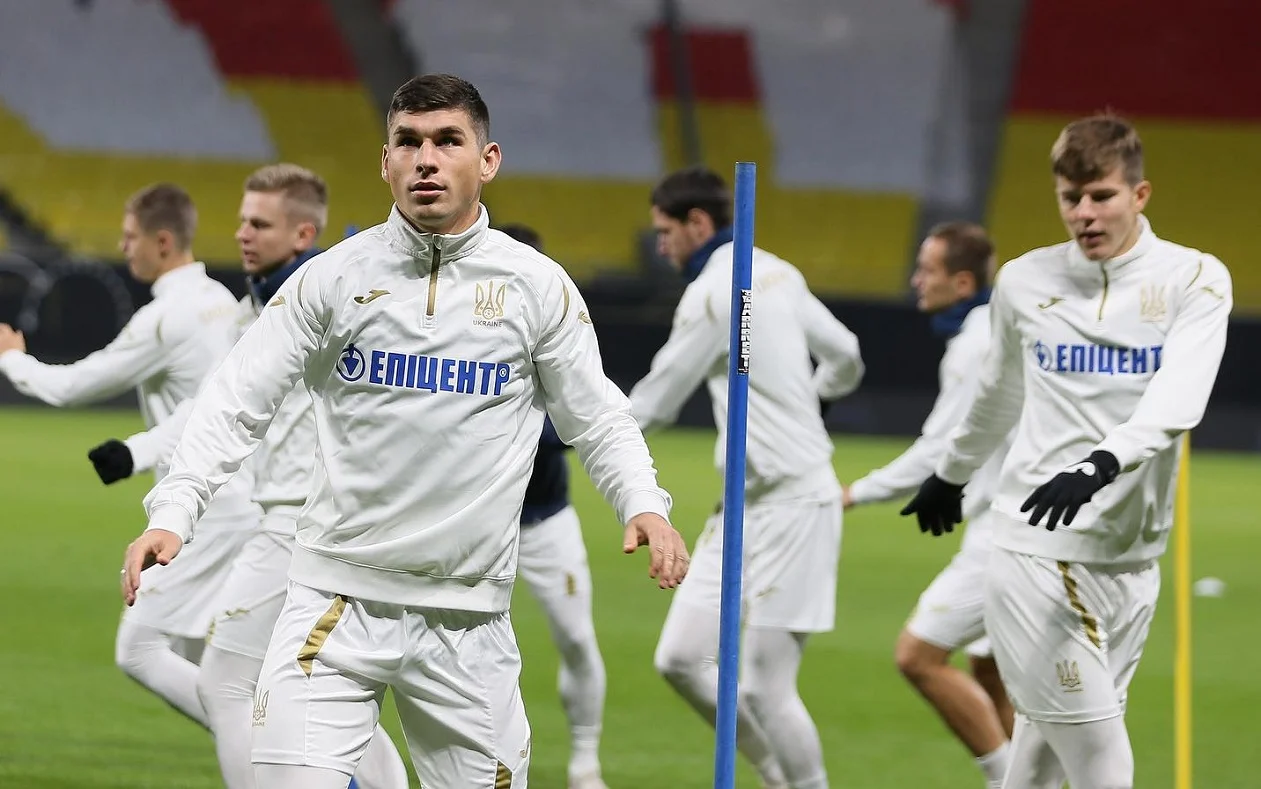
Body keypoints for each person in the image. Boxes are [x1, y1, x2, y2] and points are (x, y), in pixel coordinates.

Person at [121, 73, 689, 789]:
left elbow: (598, 416)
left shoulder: (537, 287)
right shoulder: (332, 280)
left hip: (469, 622)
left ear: (487, 159)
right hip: (332, 606)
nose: (426, 160)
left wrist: (643, 502)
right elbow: (234, 399)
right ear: (385, 161)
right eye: (409, 142)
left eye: (448, 141)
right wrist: (174, 510)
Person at [900, 114, 1233, 788]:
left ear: (1139, 194)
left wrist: (1100, 464)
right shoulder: (1026, 281)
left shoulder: (1193, 278)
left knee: (1038, 766)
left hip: (1131, 558)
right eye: (1070, 198)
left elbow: (1178, 398)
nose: (1084, 213)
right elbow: (996, 393)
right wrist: (952, 474)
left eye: (1101, 195)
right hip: (1035, 554)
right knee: (1102, 765)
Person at [94, 165, 409, 789]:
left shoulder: (329, 303)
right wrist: (146, 466)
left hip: (301, 526)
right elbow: (213, 408)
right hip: (314, 526)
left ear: (303, 234)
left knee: (225, 683)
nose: (242, 233)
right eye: (242, 220)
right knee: (327, 684)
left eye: (259, 224)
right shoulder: (258, 311)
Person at [629, 165, 865, 789]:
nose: (661, 247)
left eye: (665, 232)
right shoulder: (777, 271)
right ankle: (776, 774)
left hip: (797, 503)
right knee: (682, 658)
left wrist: (564, 436)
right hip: (742, 505)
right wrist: (817, 397)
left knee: (765, 686)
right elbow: (846, 354)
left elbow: (655, 401)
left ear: (697, 223)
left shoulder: (712, 295)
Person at [0, 183, 258, 727]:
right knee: (211, 664)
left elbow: (72, 386)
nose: (122, 247)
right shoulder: (217, 299)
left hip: (200, 509)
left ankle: (271, 749)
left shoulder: (165, 318)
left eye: (129, 236)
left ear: (161, 242)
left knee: (139, 651)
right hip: (241, 496)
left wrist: (13, 359)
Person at [843, 222, 1015, 788]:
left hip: (1007, 531)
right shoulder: (999, 328)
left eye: (927, 270)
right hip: (1023, 518)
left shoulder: (974, 346)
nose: (915, 280)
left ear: (962, 282)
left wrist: (855, 493)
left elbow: (939, 449)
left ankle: (1007, 780)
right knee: (989, 666)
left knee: (917, 657)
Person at [496, 223, 610, 789]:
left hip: (544, 520)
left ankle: (585, 760)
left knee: (577, 639)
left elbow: (580, 417)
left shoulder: (555, 328)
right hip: (475, 525)